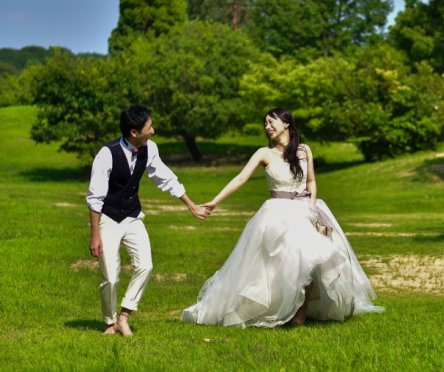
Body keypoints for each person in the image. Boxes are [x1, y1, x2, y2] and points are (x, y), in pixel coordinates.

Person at [181, 107, 383, 327]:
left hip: (305, 209)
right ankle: (283, 307)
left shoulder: (305, 150)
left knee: (312, 258)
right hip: (277, 213)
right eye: (265, 124)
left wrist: (311, 206)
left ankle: (301, 311)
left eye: (271, 122)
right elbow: (240, 179)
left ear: (286, 123)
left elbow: (311, 181)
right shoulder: (264, 153)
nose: (267, 127)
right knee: (281, 264)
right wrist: (215, 201)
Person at [87, 104, 211, 336]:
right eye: (149, 127)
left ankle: (124, 316)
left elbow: (165, 178)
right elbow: (95, 198)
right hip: (109, 217)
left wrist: (191, 204)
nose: (153, 131)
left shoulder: (149, 148)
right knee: (111, 276)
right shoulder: (107, 153)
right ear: (134, 132)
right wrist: (95, 235)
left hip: (133, 216)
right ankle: (109, 323)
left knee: (145, 265)